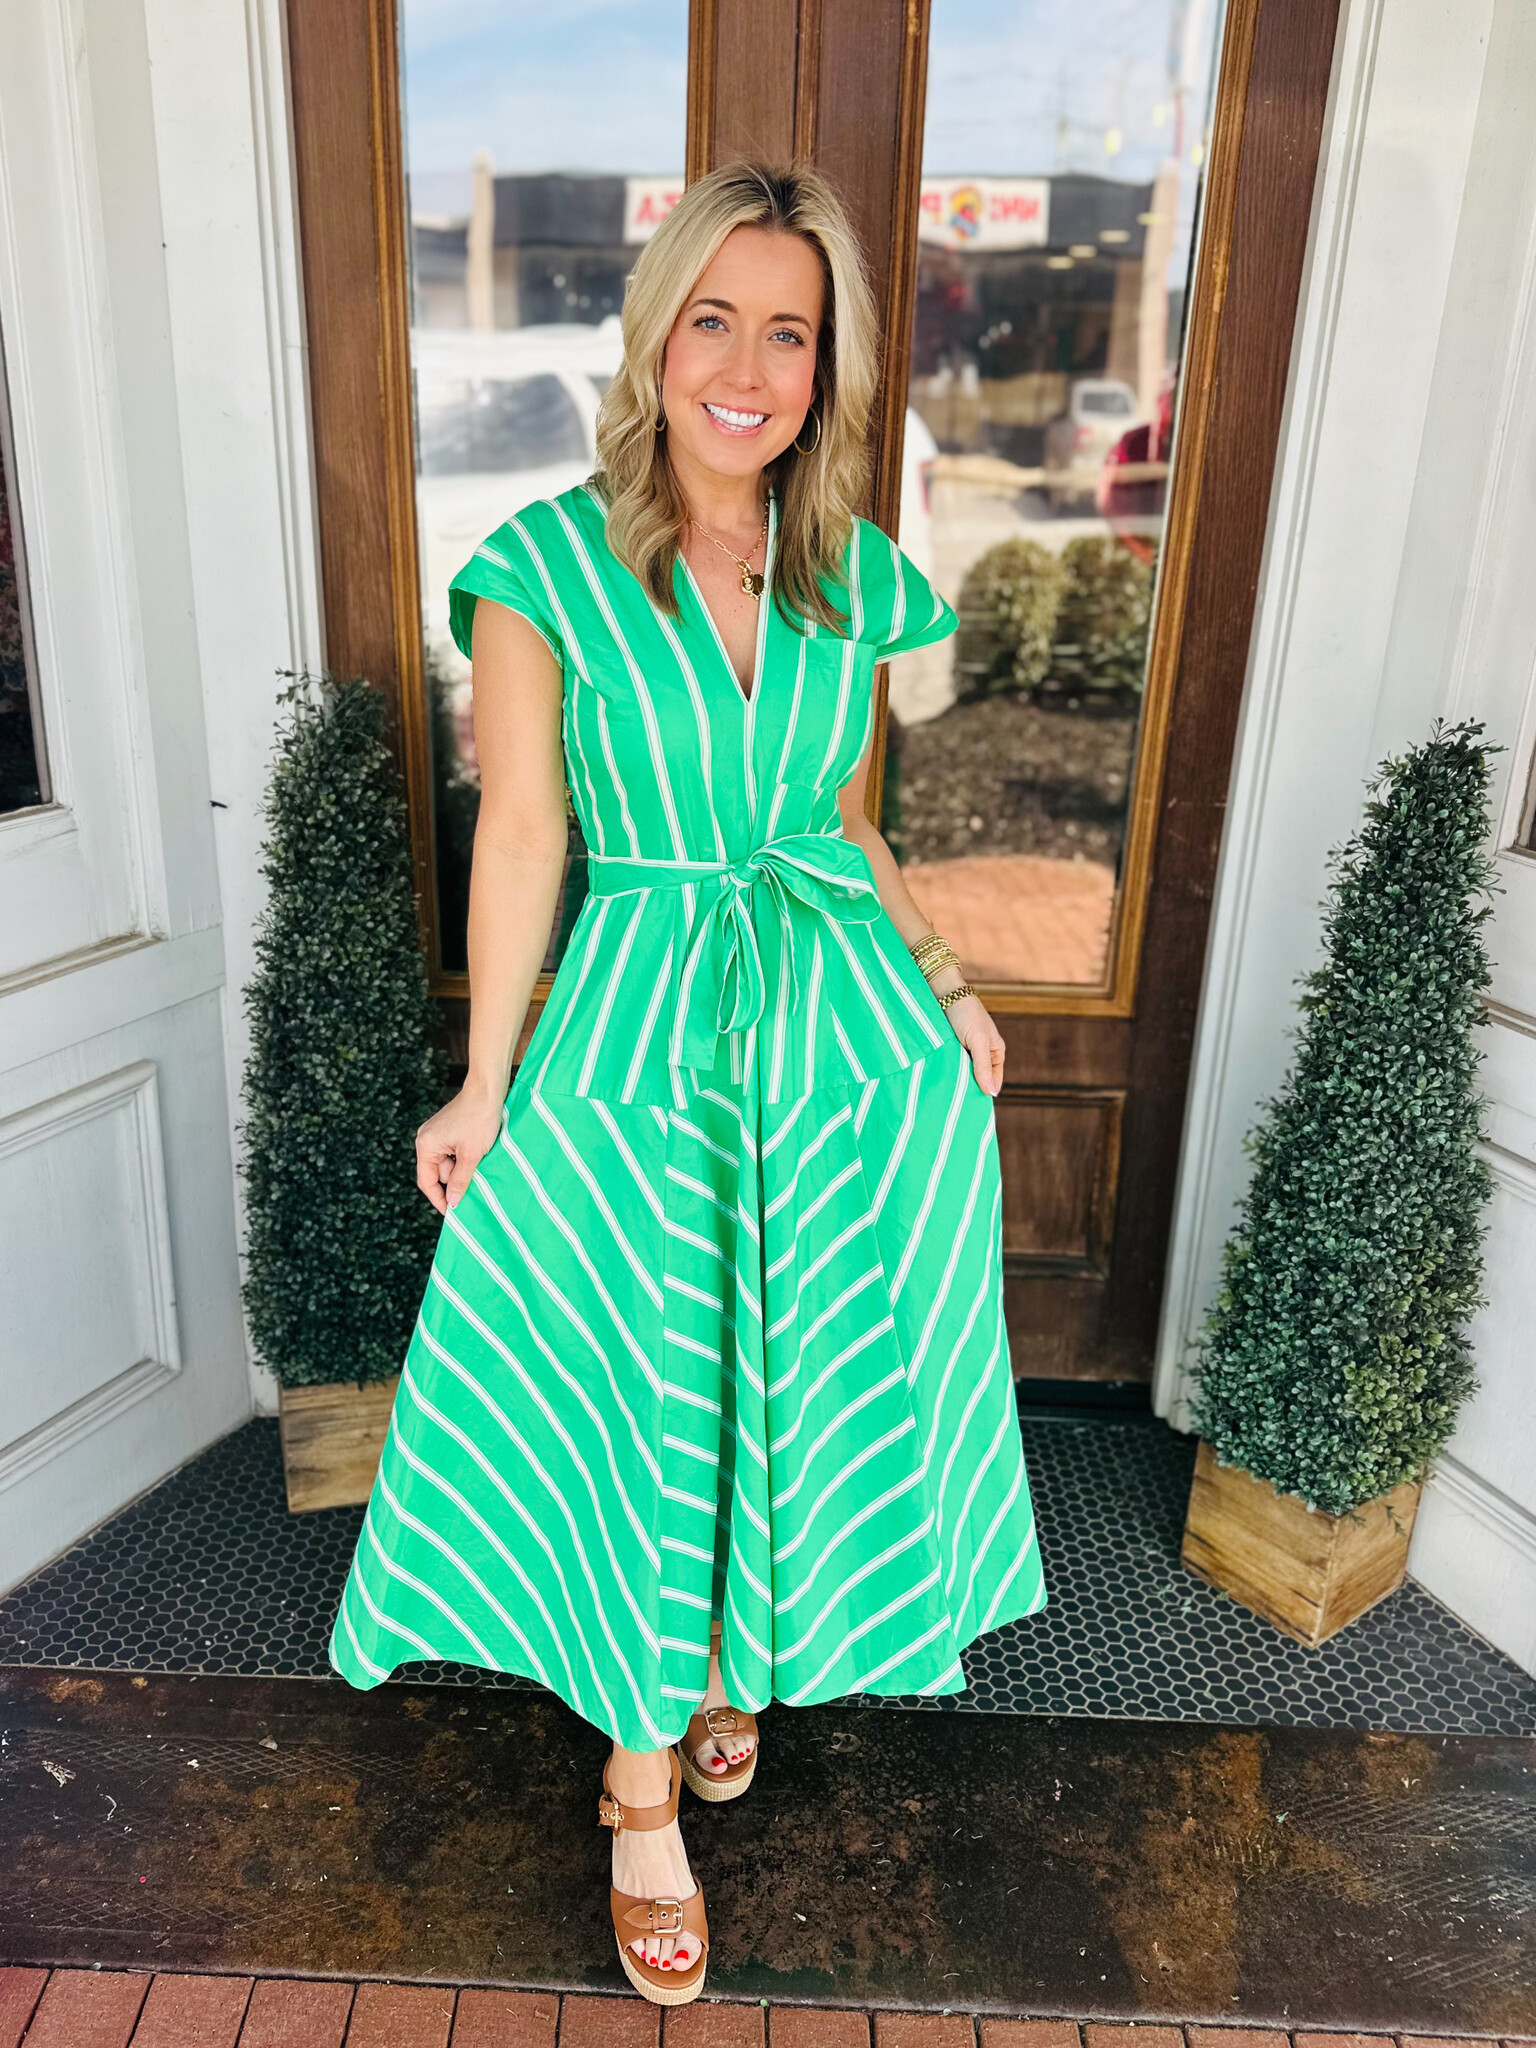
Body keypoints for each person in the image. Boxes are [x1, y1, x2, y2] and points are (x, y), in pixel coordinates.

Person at [329, 159, 1048, 2006]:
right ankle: (638, 1787)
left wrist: (946, 979)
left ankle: (731, 1660)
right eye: (712, 320)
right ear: (653, 340)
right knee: (642, 1382)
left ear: (828, 367)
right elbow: (522, 838)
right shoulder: (541, 567)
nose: (746, 367)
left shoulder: (848, 572)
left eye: (786, 332)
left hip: (835, 1039)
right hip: (644, 1028)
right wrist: (485, 1081)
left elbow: (848, 824)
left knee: (785, 1368)